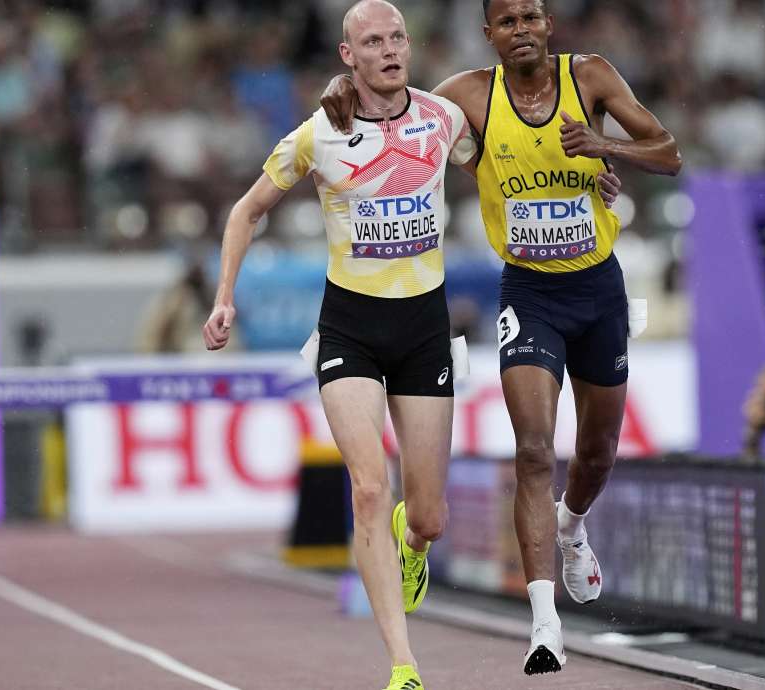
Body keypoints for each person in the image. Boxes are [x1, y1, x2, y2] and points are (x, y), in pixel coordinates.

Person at [319, 0, 681, 675]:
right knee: (535, 450)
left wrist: (604, 146)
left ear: (549, 25)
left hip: (597, 288)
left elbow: (669, 153)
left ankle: (572, 526)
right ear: (489, 35)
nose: (521, 30)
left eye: (531, 18)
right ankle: (546, 628)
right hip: (529, 293)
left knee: (597, 451)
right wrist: (341, 87)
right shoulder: (467, 96)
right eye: (506, 21)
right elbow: (394, 100)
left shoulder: (592, 77)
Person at [203, 3, 475, 688]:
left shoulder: (443, 120)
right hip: (349, 326)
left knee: (430, 514)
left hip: (423, 327)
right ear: (347, 56)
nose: (388, 50)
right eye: (371, 42)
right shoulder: (318, 135)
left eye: (396, 38)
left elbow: (501, 171)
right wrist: (224, 296)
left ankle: (415, 539)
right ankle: (404, 665)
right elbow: (245, 211)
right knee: (366, 489)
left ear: (408, 46)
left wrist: (586, 182)